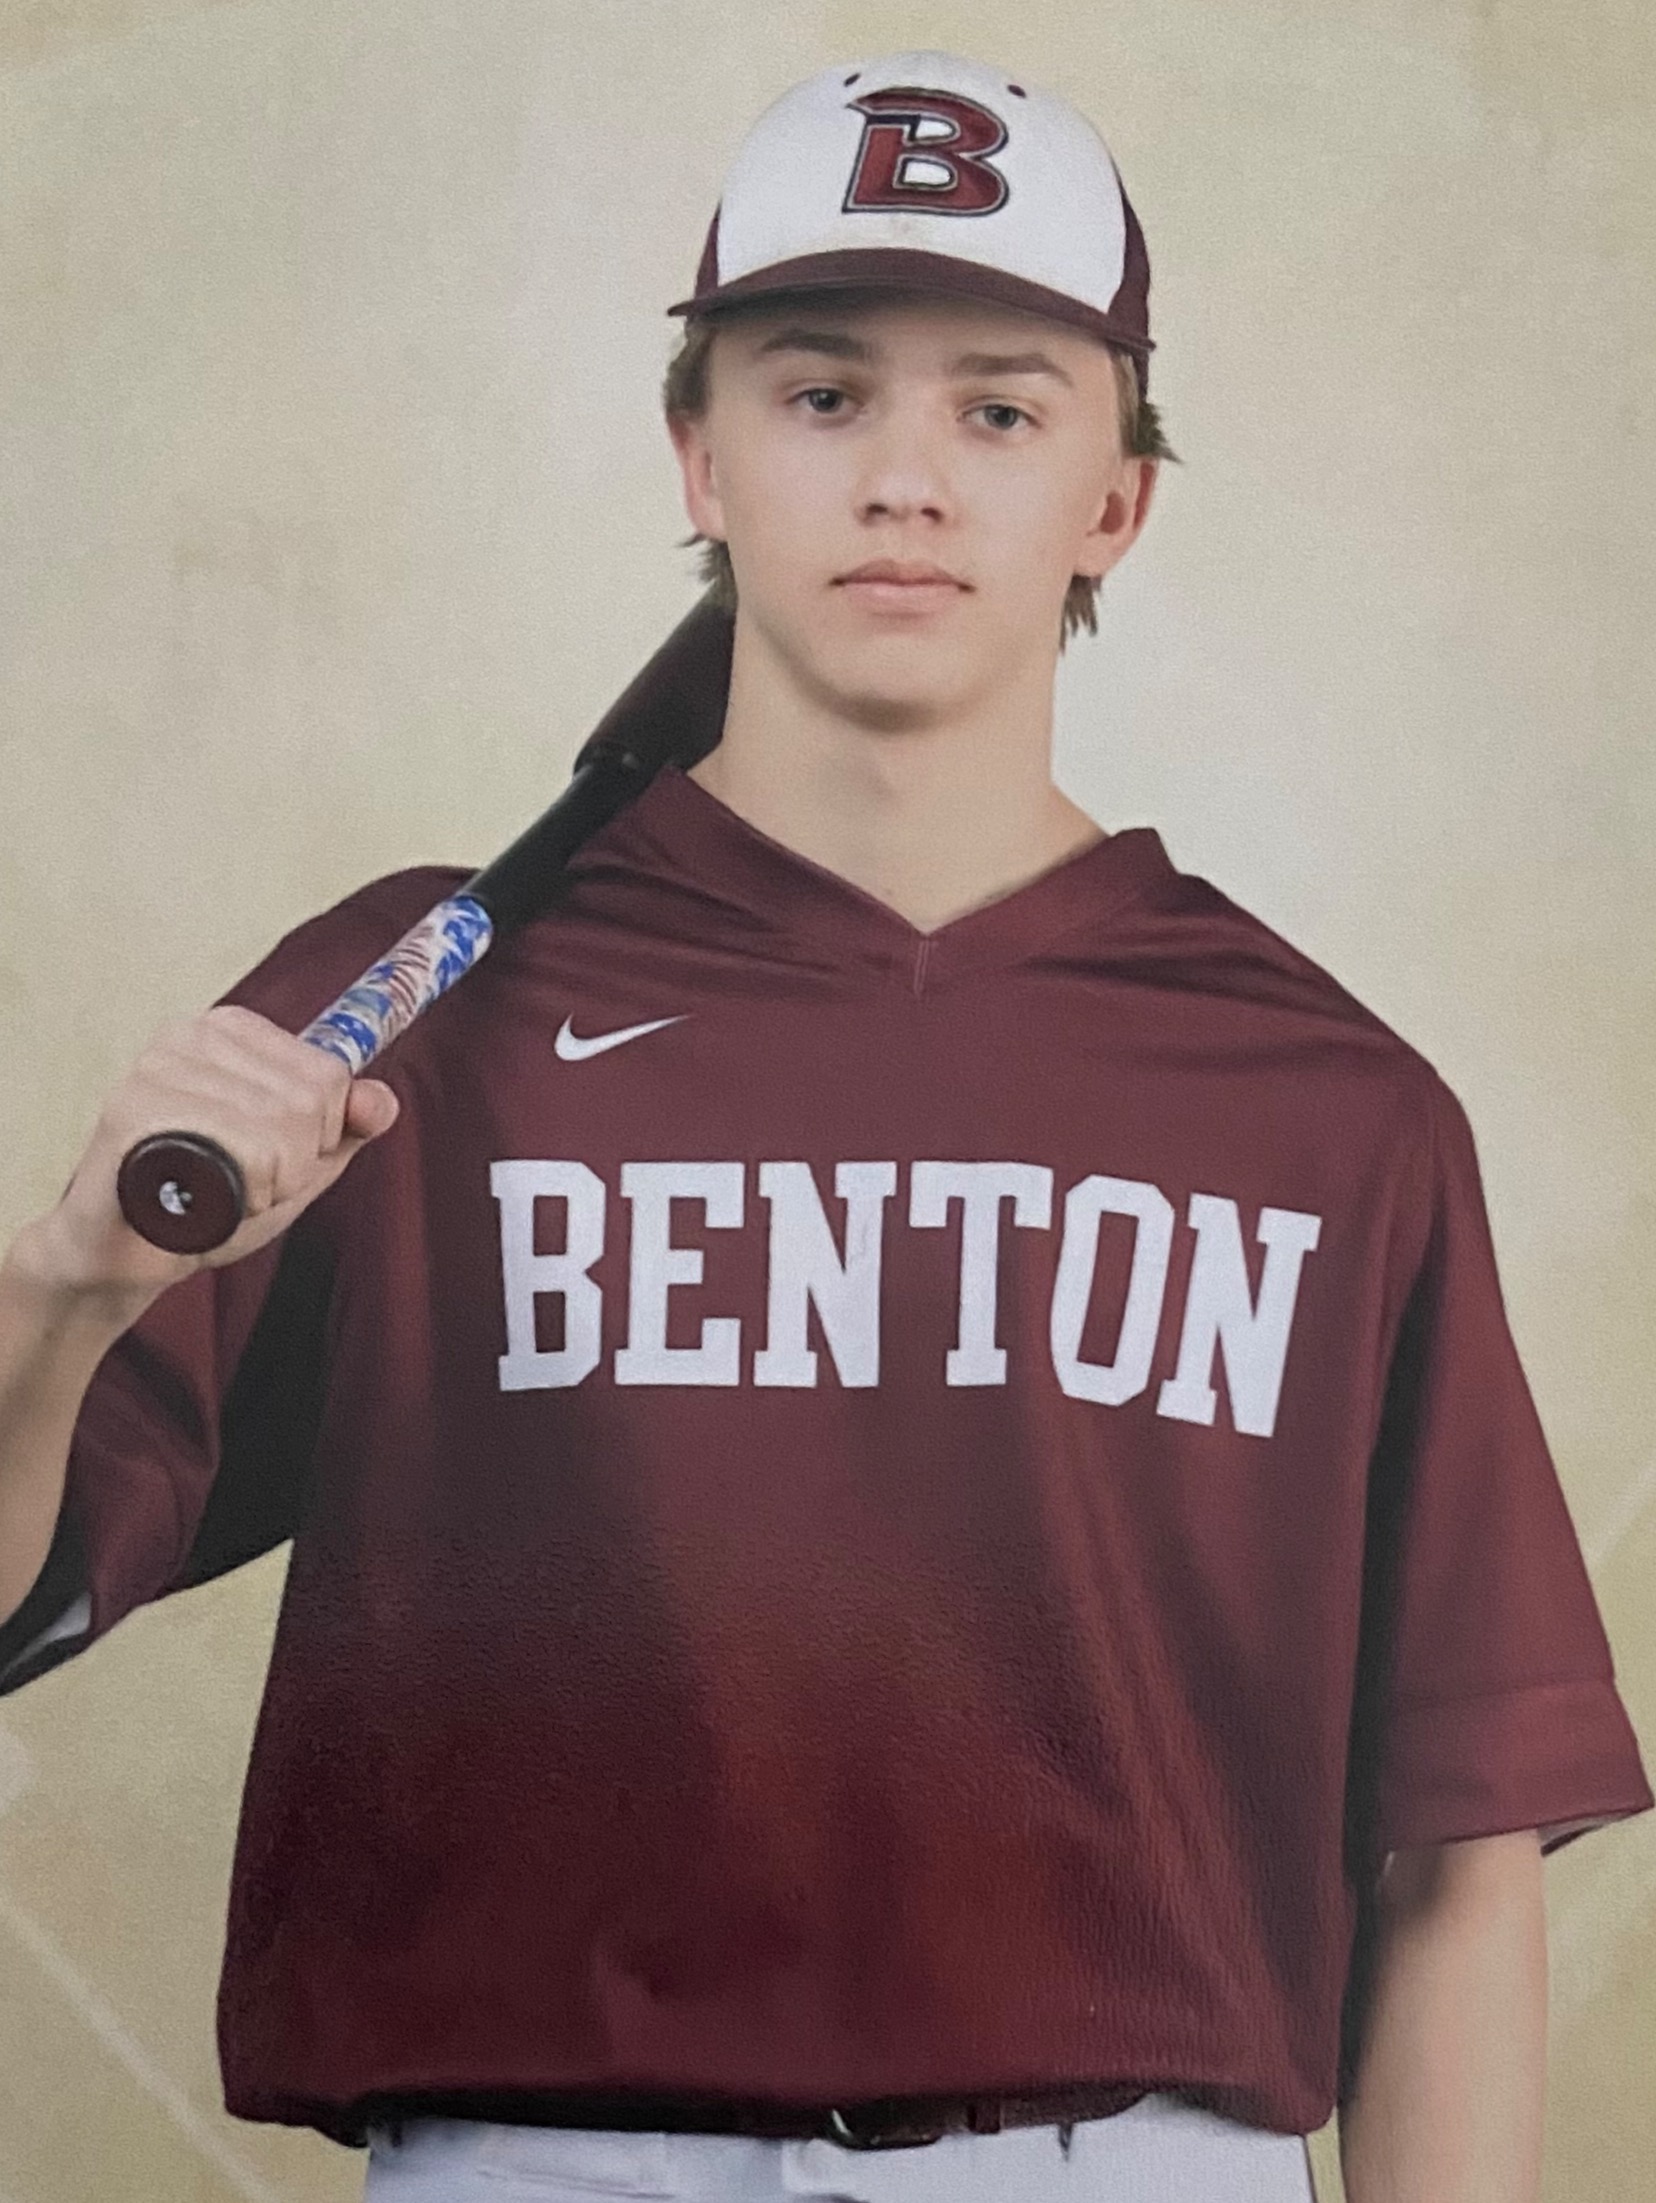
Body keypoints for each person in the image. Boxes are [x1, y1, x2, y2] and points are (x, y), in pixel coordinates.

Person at [0, 47, 1650, 2203]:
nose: (905, 482)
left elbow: (1451, 1861)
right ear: (700, 458)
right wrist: (59, 1292)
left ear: (1118, 501)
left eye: (1001, 410)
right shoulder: (416, 1014)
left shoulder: (1328, 1103)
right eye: (819, 394)